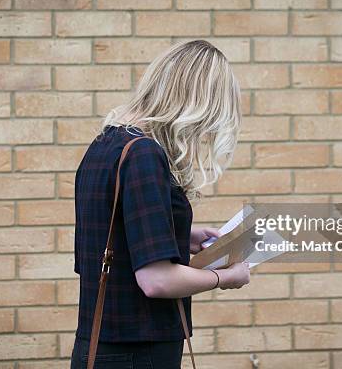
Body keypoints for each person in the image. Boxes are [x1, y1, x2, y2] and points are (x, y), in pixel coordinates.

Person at [71, 39, 251, 369]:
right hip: (139, 353)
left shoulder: (107, 143)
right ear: (196, 103)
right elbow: (157, 281)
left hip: (100, 347)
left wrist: (183, 234)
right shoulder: (144, 154)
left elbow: (113, 241)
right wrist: (226, 277)